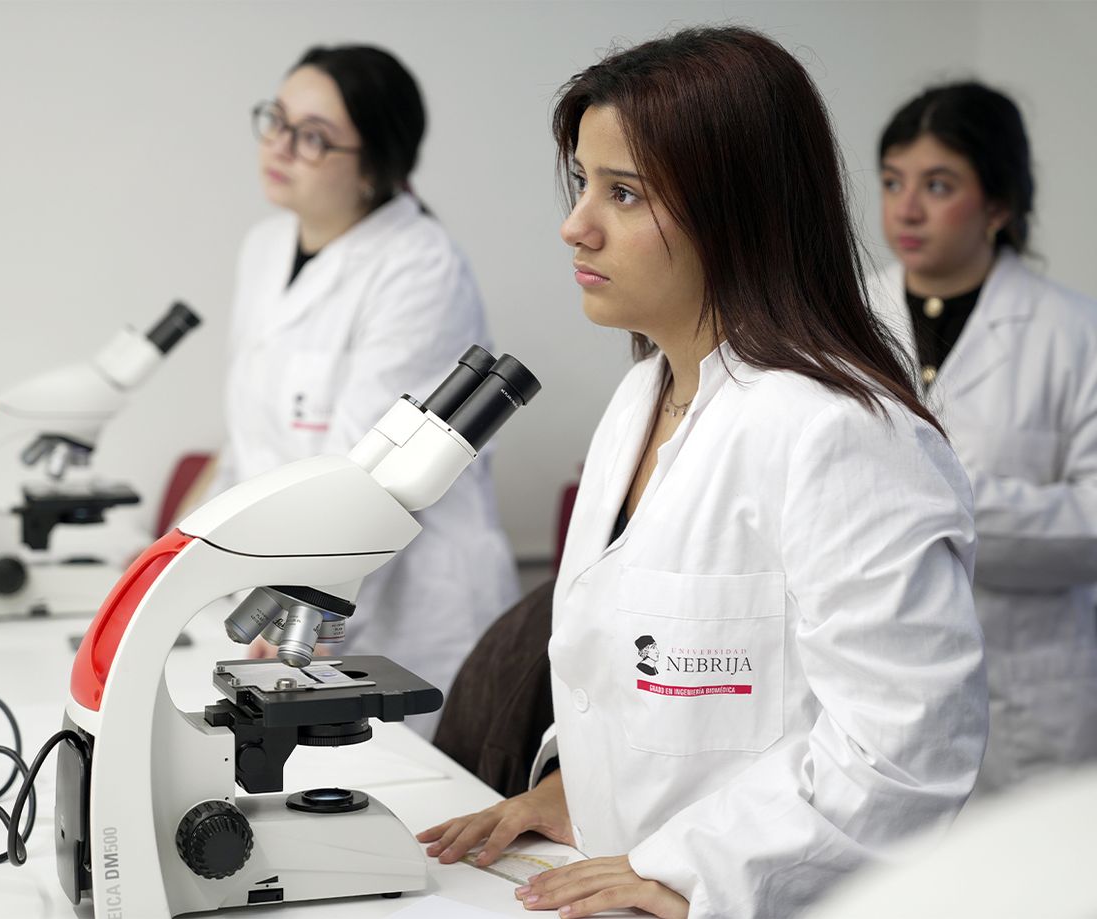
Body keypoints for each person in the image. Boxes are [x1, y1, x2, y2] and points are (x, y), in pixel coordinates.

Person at [417, 27, 988, 919]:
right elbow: (641, 677)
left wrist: (694, 871)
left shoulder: (834, 434)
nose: (576, 223)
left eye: (625, 192)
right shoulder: (643, 396)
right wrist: (571, 787)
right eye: (582, 184)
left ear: (740, 211)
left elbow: (906, 751)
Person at [197, 44, 519, 738]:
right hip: (286, 591)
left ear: (376, 165)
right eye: (276, 120)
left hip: (408, 614)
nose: (279, 146)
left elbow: (360, 479)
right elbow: (251, 444)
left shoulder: (419, 268)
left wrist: (287, 608)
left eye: (312, 136)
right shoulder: (264, 247)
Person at [870, 81, 1097, 793]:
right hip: (875, 689)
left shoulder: (1073, 332)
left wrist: (943, 504)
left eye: (938, 185)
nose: (906, 208)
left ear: (998, 204)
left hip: (1027, 690)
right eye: (892, 181)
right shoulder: (841, 321)